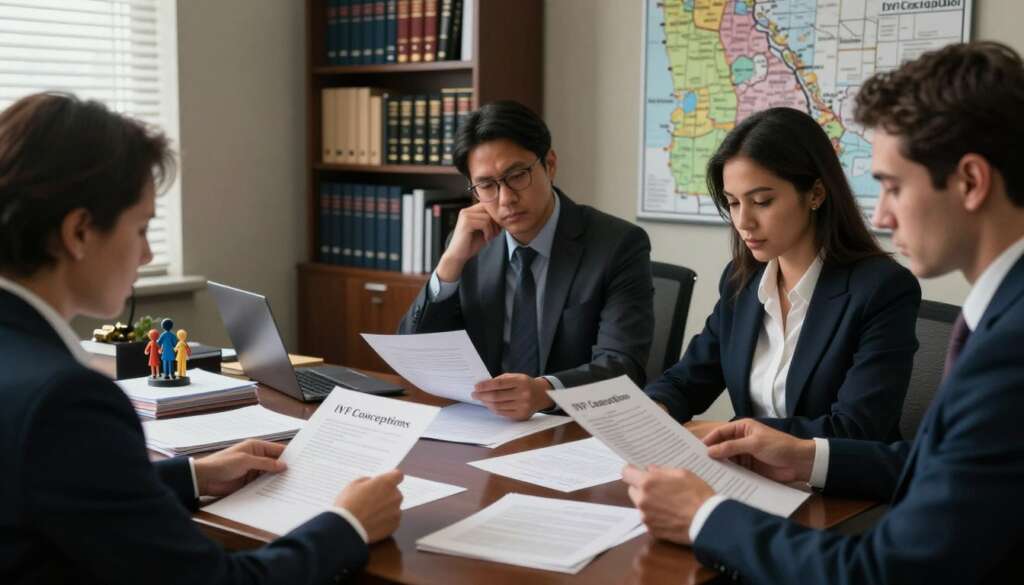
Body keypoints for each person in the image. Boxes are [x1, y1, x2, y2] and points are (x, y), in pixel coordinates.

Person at [623, 41, 1024, 583]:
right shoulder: (999, 316)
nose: (881, 212)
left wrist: (704, 515)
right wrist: (802, 454)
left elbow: (885, 570)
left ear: (971, 182)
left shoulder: (1007, 346)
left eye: (892, 186)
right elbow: (935, 467)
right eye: (734, 203)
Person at [0, 92, 403, 584]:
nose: (147, 255)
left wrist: (194, 475)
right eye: (143, 228)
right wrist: (348, 525)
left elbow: (54, 488)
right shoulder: (66, 399)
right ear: (79, 232)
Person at [644, 107, 920, 441]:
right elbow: (687, 379)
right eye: (733, 203)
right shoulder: (740, 280)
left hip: (835, 487)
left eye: (761, 201)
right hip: (748, 475)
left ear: (816, 194)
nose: (743, 221)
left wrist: (732, 432)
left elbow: (856, 428)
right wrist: (656, 408)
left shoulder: (881, 289)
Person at [398, 100, 655, 421]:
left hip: (574, 429)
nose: (506, 199)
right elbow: (416, 355)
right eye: (487, 186)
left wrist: (545, 392)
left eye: (517, 175)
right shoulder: (468, 247)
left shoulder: (617, 244)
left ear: (549, 164)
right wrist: (448, 265)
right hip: (485, 426)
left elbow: (623, 365)